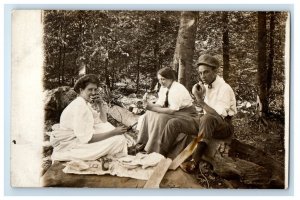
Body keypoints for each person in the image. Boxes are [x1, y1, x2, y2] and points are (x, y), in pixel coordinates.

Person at [159, 54, 237, 172]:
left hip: (223, 127)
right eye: (200, 73)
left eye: (206, 72)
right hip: (206, 124)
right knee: (173, 123)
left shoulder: (224, 88)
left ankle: (194, 162)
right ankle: (160, 156)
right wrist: (200, 95)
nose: (202, 76)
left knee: (207, 118)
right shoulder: (205, 86)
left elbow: (217, 115)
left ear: (215, 71)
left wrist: (199, 100)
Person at [50, 74, 128, 161]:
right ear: (81, 90)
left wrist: (100, 105)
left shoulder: (83, 103)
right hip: (71, 143)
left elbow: (103, 121)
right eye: (90, 90)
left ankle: (108, 151)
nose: (94, 93)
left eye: (95, 89)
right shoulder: (80, 107)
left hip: (77, 137)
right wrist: (113, 132)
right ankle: (105, 155)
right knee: (119, 140)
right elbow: (87, 139)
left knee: (106, 126)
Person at [134, 67, 199, 155]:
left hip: (186, 113)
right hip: (175, 110)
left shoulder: (177, 89)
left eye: (163, 79)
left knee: (161, 118)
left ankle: (155, 149)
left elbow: (172, 110)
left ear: (171, 78)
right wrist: (148, 105)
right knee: (149, 113)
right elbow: (160, 103)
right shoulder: (164, 87)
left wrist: (152, 108)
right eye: (159, 79)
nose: (161, 82)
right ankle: (143, 143)